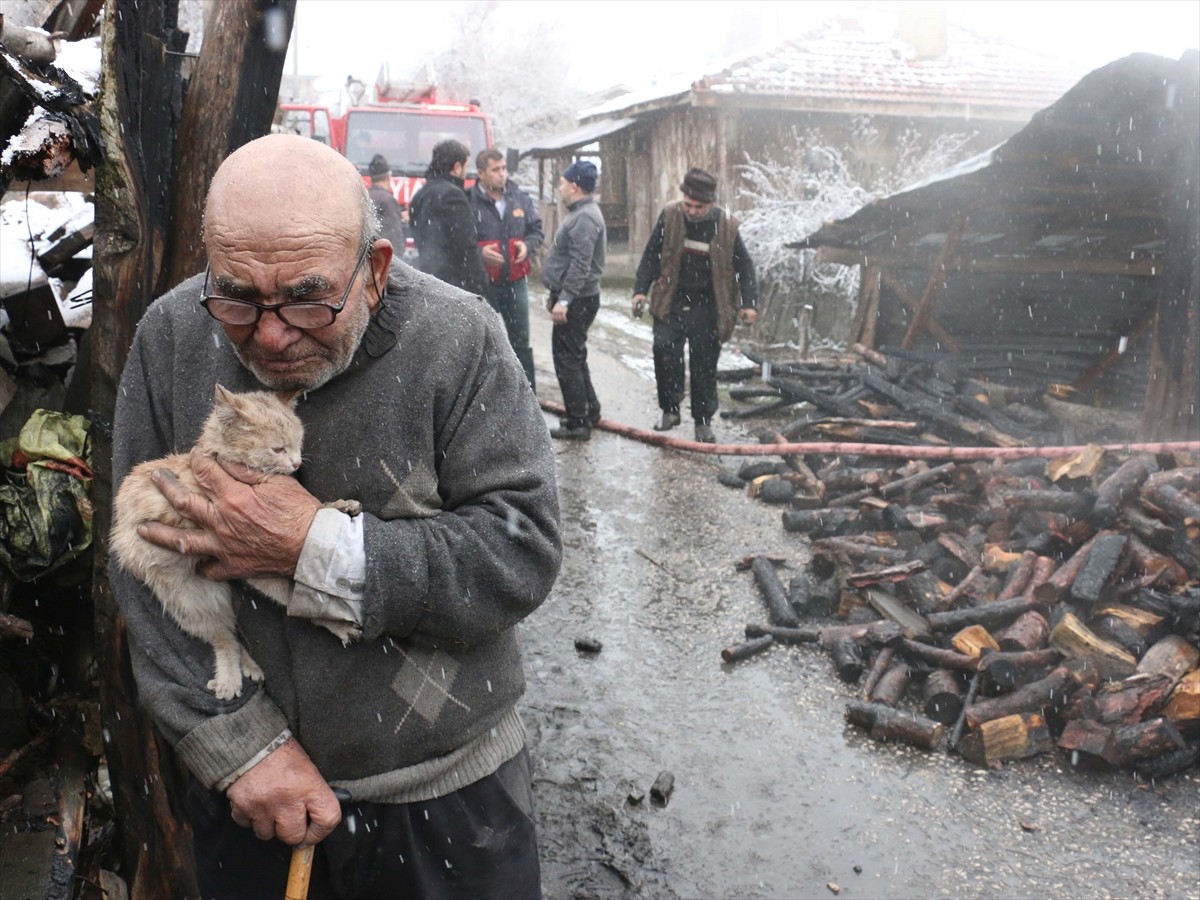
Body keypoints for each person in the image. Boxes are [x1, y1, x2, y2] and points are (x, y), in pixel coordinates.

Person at [110, 134, 561, 899]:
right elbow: (139, 568)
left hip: (446, 799)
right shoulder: (173, 335)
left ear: (375, 270)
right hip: (252, 803)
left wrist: (314, 547)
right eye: (238, 298)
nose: (273, 334)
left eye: (309, 297)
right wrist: (238, 749)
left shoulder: (460, 339)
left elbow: (520, 553)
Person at [631, 167, 758, 443]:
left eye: (698, 206)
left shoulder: (727, 226)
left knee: (704, 365)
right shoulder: (670, 216)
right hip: (671, 301)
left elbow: (745, 268)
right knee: (664, 350)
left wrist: (750, 303)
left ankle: (703, 422)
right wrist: (640, 290)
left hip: (709, 306)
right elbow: (651, 255)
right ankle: (670, 410)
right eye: (688, 204)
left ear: (711, 203)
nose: (692, 210)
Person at [469, 147, 544, 389]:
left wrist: (527, 245)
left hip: (515, 281)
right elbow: (460, 241)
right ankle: (487, 393)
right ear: (481, 173)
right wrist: (480, 253)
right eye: (495, 170)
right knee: (482, 340)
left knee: (521, 340)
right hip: (484, 284)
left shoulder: (519, 198)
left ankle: (527, 392)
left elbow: (536, 230)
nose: (502, 174)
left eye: (503, 169)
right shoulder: (468, 201)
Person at [541, 160, 606, 440]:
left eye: (563, 183)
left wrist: (564, 300)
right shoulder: (582, 213)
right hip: (577, 297)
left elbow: (581, 264)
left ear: (574, 186)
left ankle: (578, 422)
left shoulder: (585, 218)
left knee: (567, 359)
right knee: (575, 356)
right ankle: (589, 409)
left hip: (578, 299)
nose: (560, 187)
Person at [408, 138, 487, 293]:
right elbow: (465, 246)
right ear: (457, 167)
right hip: (454, 286)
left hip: (428, 282)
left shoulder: (420, 195)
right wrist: (479, 284)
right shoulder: (454, 196)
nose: (466, 172)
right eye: (466, 166)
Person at [366, 153, 408, 253]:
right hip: (383, 257)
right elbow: (395, 236)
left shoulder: (364, 197)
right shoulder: (388, 201)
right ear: (389, 177)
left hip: (368, 256)